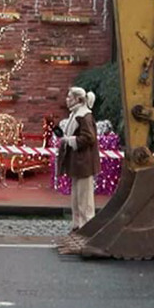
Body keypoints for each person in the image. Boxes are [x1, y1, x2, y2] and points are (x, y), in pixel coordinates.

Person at [54, 87, 100, 230]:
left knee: (84, 199)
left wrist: (69, 140)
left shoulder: (84, 116)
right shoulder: (76, 114)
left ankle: (86, 226)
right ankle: (78, 224)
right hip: (78, 163)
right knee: (77, 197)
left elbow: (89, 137)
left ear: (78, 100)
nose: (67, 100)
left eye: (70, 97)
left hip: (83, 163)